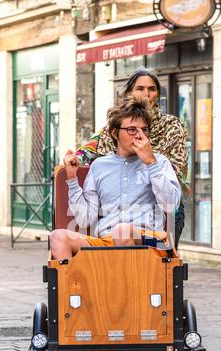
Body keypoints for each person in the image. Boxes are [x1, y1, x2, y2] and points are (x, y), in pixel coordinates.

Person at [50, 98, 181, 260]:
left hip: (151, 242)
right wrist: (72, 179)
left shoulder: (159, 162)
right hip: (107, 241)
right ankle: (75, 285)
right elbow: (85, 220)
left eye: (144, 130)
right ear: (114, 133)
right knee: (58, 237)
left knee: (122, 232)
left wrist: (150, 163)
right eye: (132, 130)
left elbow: (171, 205)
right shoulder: (99, 166)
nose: (140, 136)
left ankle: (115, 283)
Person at [76, 67, 188, 248]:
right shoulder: (116, 125)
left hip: (157, 195)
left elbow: (176, 166)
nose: (146, 94)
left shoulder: (171, 125)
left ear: (158, 94)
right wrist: (76, 162)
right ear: (130, 93)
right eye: (140, 89)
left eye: (152, 89)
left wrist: (149, 162)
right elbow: (91, 148)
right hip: (115, 198)